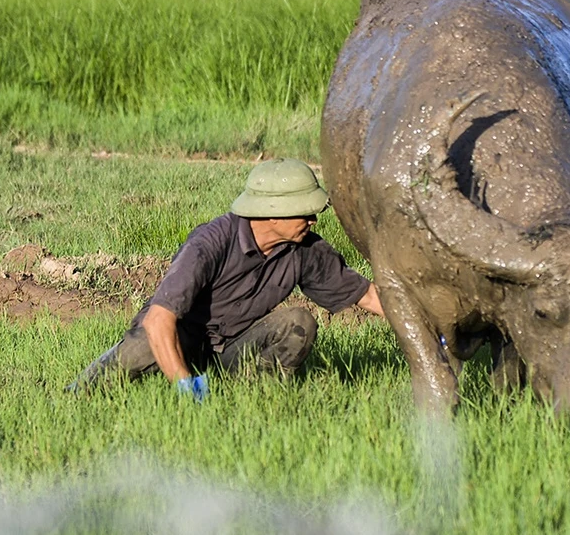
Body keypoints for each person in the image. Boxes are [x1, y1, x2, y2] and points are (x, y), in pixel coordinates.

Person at [70, 159, 384, 398]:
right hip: (185, 340)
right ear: (273, 213)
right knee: (140, 349)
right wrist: (186, 388)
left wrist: (430, 325)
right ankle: (77, 397)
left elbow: (369, 296)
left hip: (232, 348)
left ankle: (255, 398)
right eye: (305, 213)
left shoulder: (306, 249)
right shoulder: (210, 242)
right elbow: (157, 321)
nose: (314, 220)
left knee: (298, 321)